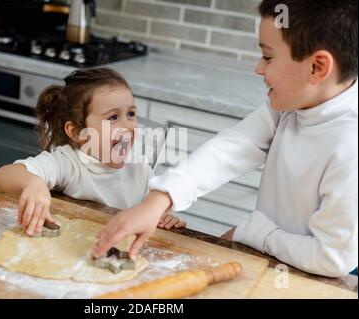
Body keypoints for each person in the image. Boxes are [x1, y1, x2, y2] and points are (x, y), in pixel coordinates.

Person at [92, 0, 358, 277]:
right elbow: (231, 149)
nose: (259, 68)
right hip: (277, 261)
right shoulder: (295, 103)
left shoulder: (350, 145)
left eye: (268, 57)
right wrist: (157, 201)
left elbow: (331, 258)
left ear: (317, 67)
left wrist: (252, 233)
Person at [0, 68, 185, 237]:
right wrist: (33, 183)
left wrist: (165, 219)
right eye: (113, 117)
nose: (127, 125)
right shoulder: (69, 163)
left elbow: (150, 211)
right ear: (77, 132)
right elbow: (3, 174)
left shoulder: (140, 168)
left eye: (131, 114)